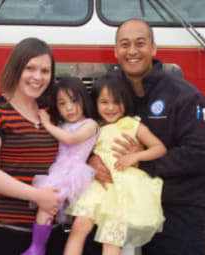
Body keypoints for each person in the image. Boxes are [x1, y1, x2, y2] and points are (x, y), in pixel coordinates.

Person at [91, 18, 205, 255]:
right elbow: (86, 135)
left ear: (154, 49)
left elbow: (199, 156)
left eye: (140, 43)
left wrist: (142, 160)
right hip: (116, 204)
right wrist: (92, 161)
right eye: (125, 44)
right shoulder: (109, 96)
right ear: (116, 50)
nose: (132, 51)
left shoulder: (185, 96)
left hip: (177, 206)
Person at [0, 37, 66, 255]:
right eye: (30, 68)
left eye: (45, 71)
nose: (37, 77)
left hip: (49, 234)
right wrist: (38, 196)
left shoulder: (49, 113)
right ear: (15, 69)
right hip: (2, 233)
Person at [64, 75, 168, 255]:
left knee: (111, 239)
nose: (110, 107)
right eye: (104, 102)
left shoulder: (132, 124)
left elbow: (159, 148)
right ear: (95, 103)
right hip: (98, 187)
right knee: (79, 228)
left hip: (124, 190)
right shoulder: (93, 126)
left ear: (125, 102)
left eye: (116, 102)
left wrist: (136, 156)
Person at [21, 76, 99, 255]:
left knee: (51, 206)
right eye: (62, 104)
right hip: (58, 169)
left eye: (74, 101)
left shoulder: (90, 125)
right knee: (46, 206)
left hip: (75, 173)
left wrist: (47, 124)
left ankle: (39, 247)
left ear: (84, 100)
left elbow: (71, 139)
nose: (69, 108)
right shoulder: (63, 124)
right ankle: (37, 247)